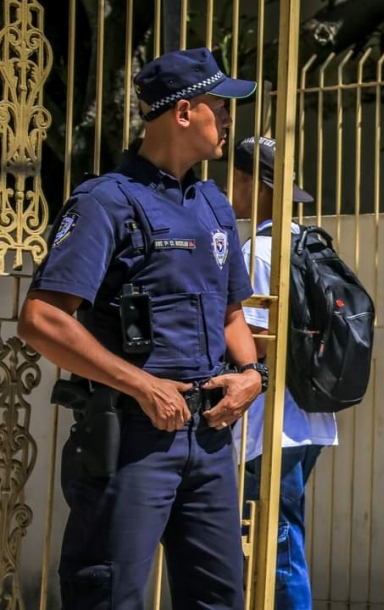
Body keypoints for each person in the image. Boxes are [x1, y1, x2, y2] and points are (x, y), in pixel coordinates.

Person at [17, 48, 268, 609]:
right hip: (129, 438)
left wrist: (252, 374)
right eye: (218, 106)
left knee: (220, 598)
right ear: (182, 112)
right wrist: (142, 384)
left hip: (206, 438)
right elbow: (42, 318)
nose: (228, 119)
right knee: (110, 595)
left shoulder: (212, 203)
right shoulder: (105, 201)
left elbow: (232, 313)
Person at [230, 136, 338, 610]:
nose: (233, 189)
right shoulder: (309, 243)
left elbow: (255, 344)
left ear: (256, 185)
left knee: (278, 544)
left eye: (238, 179)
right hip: (310, 418)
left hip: (270, 423)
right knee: (280, 534)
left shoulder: (258, 252)